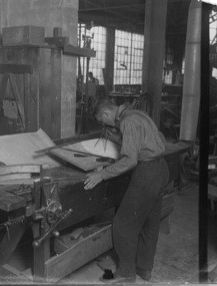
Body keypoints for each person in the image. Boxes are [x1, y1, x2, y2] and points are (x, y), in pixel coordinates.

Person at [84, 97, 169, 283]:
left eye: (101, 120)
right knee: (150, 223)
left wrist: (102, 174)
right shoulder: (137, 114)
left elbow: (130, 160)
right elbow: (154, 139)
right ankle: (145, 269)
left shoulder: (127, 122)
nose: (103, 124)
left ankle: (126, 273)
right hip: (161, 170)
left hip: (147, 174)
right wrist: (117, 137)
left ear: (106, 114)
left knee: (123, 225)